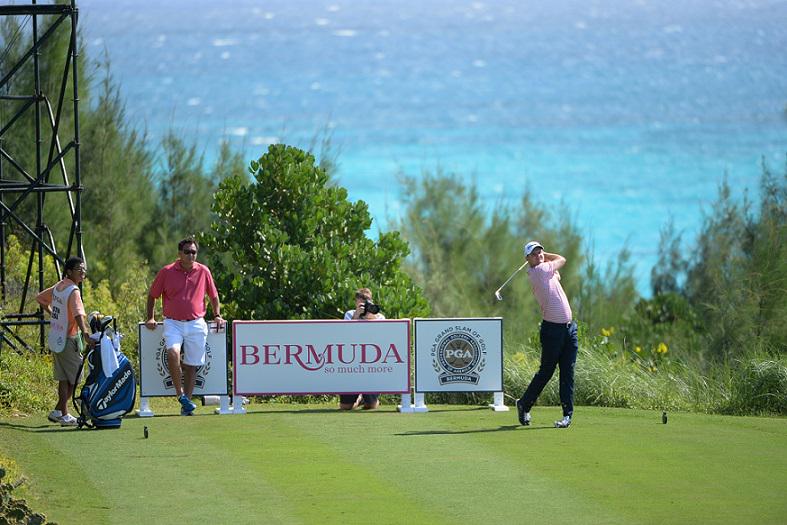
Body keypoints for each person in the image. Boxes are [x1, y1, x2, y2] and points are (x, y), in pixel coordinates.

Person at [145, 238, 224, 415]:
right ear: (179, 254)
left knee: (191, 366)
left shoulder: (204, 271)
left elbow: (213, 296)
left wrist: (217, 315)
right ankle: (181, 395)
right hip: (173, 322)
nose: (191, 255)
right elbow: (152, 296)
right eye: (187, 252)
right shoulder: (167, 272)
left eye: (193, 252)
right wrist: (150, 317)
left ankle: (186, 405)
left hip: (196, 323)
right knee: (172, 353)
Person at [516, 241, 578, 429]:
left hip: (569, 329)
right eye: (534, 254)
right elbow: (562, 259)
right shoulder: (539, 271)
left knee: (568, 372)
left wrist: (541, 255)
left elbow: (554, 266)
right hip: (552, 330)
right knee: (546, 372)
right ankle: (524, 404)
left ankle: (567, 415)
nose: (539, 256)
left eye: (540, 252)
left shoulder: (544, 269)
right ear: (527, 259)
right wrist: (546, 255)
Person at [36, 256, 95, 426]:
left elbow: (40, 298)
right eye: (79, 269)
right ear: (69, 271)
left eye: (83, 269)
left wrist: (54, 314)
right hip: (69, 338)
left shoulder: (59, 287)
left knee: (63, 378)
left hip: (56, 337)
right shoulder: (73, 291)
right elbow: (78, 315)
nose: (83, 272)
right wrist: (85, 333)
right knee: (75, 378)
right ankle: (64, 414)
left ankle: (58, 412)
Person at [339, 287, 384, 410]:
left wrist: (370, 317)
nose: (364, 305)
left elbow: (383, 337)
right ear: (356, 302)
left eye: (367, 302)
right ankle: (358, 399)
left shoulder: (379, 316)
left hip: (371, 363)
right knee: (345, 407)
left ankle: (367, 399)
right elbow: (346, 334)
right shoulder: (350, 314)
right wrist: (357, 315)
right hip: (351, 363)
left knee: (371, 406)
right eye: (361, 302)